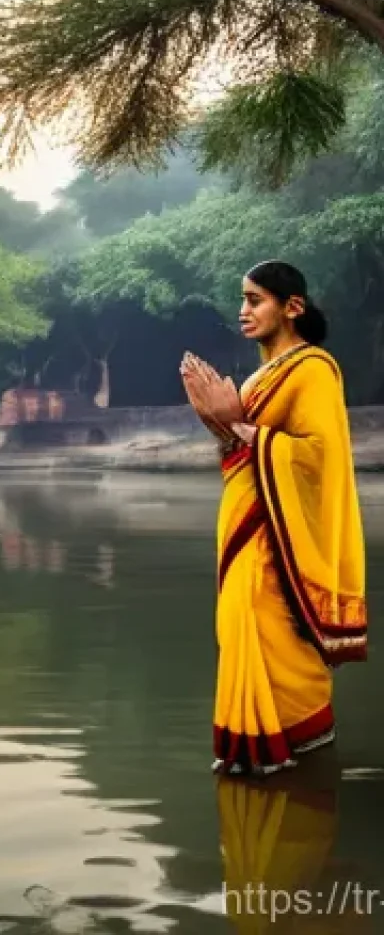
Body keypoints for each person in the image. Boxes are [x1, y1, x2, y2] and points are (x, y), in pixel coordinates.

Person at [180, 260, 367, 777]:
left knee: (268, 626)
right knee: (238, 626)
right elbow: (238, 451)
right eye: (242, 299)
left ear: (293, 307)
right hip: (243, 521)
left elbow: (318, 456)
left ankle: (294, 735)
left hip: (274, 540)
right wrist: (219, 423)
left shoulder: (313, 369)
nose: (243, 311)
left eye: (255, 299)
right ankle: (249, 745)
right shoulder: (263, 374)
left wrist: (238, 426)